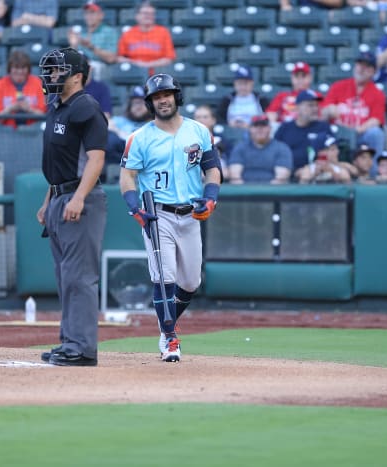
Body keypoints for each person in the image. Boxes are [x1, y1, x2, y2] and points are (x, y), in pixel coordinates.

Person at [119, 73, 222, 363]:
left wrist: (211, 198)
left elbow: (212, 169)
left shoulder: (199, 131)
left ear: (176, 96)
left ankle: (166, 325)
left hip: (190, 214)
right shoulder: (139, 138)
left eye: (166, 94)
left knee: (190, 281)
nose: (162, 100)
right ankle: (171, 338)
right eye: (156, 97)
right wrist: (133, 206)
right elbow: (127, 176)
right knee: (164, 277)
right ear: (149, 103)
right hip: (158, 214)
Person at [36, 47, 107, 367]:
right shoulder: (57, 107)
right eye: (50, 71)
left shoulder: (86, 107)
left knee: (80, 276)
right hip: (59, 197)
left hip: (81, 200)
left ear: (76, 76)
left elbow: (96, 158)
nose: (51, 76)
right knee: (66, 276)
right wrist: (48, 200)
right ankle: (70, 340)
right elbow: (59, 162)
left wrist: (78, 197)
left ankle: (82, 347)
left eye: (57, 71)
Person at [320, 51, 387, 168]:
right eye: (360, 65)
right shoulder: (338, 86)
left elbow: (376, 120)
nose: (362, 69)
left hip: (360, 134)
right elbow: (324, 111)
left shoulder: (377, 93)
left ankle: (373, 175)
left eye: (367, 67)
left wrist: (357, 130)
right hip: (337, 132)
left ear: (373, 71)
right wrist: (330, 110)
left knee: (376, 133)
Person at [274, 89, 336, 181]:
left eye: (316, 105)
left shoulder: (324, 127)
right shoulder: (285, 128)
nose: (315, 109)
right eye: (310, 105)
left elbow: (332, 152)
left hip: (319, 174)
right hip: (288, 174)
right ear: (298, 108)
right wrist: (294, 171)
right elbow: (275, 153)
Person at [0, 49, 47, 129]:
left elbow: (45, 116)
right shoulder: (0, 85)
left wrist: (29, 109)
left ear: (28, 69)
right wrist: (10, 109)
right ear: (10, 69)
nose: (19, 71)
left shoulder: (37, 83)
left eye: (23, 68)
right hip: (6, 133)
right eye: (16, 67)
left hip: (34, 131)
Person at [228, 114, 293, 184]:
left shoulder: (281, 148)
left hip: (273, 192)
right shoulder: (240, 147)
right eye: (256, 126)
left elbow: (280, 179)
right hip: (244, 191)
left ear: (270, 128)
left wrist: (265, 193)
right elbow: (235, 177)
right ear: (250, 129)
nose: (260, 129)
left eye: (263, 126)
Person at [116, 1, 175, 73]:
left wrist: (148, 65)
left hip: (157, 72)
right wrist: (135, 63)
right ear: (137, 16)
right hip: (133, 72)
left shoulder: (163, 32)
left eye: (151, 14)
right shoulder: (128, 33)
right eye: (145, 13)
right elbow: (120, 58)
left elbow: (169, 59)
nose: (148, 16)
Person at [66, 1, 118, 68]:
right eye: (86, 13)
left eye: (92, 12)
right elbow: (70, 59)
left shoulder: (109, 31)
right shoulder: (80, 32)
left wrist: (91, 47)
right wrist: (73, 45)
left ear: (101, 15)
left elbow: (111, 58)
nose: (88, 16)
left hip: (100, 68)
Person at [216, 65, 269, 129]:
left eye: (246, 83)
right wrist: (228, 124)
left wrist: (251, 125)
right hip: (231, 131)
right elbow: (219, 118)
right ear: (235, 84)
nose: (243, 87)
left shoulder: (261, 99)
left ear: (252, 83)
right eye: (240, 83)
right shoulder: (227, 99)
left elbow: (267, 119)